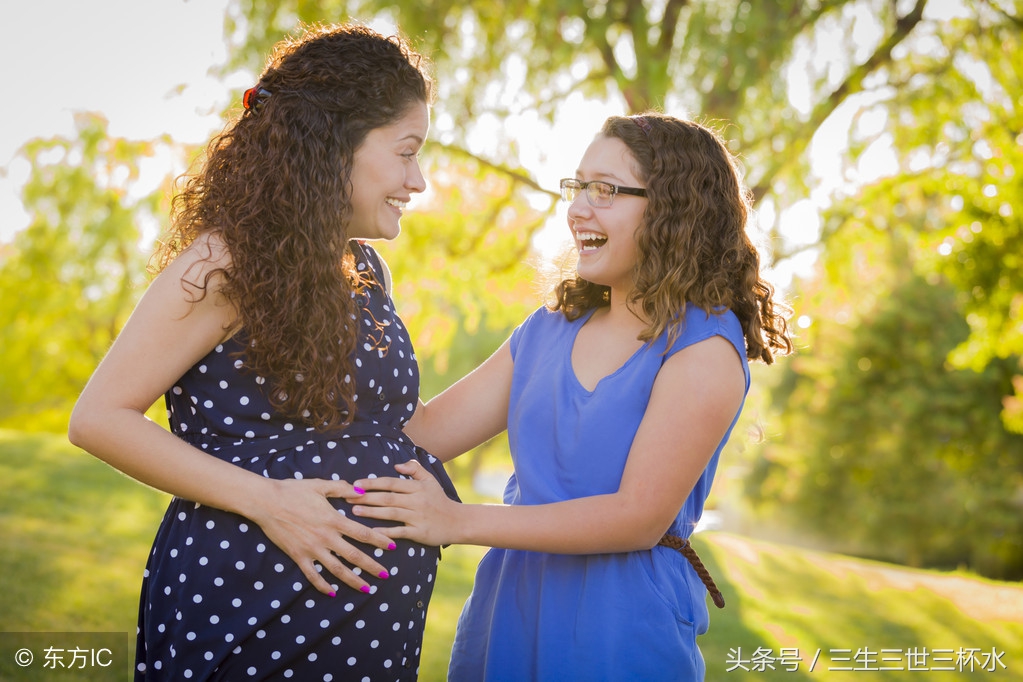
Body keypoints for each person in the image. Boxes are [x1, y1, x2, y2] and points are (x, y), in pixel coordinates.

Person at [68, 22, 457, 681]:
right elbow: (99, 418)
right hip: (245, 605)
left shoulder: (361, 270)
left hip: (366, 634)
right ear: (336, 144)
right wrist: (269, 501)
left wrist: (539, 351)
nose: (417, 181)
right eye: (405, 151)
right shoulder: (223, 265)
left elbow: (389, 433)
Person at [352, 112, 793, 681]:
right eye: (579, 186)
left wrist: (455, 520)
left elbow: (635, 517)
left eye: (605, 190)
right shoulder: (548, 328)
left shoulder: (704, 346)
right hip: (508, 611)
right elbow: (422, 435)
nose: (578, 208)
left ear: (674, 211)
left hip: (621, 624)